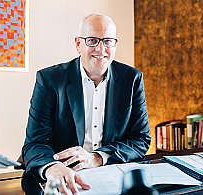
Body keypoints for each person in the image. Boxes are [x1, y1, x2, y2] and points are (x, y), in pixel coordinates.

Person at [22, 13, 151, 195]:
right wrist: (51, 167)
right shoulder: (49, 80)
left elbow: (141, 139)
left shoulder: (132, 79)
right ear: (78, 44)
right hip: (66, 181)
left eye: (108, 41)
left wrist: (97, 158)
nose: (101, 49)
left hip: (112, 177)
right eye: (92, 40)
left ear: (115, 45)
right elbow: (35, 143)